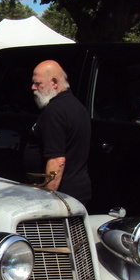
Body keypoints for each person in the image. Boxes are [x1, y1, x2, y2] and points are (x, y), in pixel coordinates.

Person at [22, 59, 91, 204]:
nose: (33, 87)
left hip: (61, 197)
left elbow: (57, 161)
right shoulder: (78, 107)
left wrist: (47, 202)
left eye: (38, 83)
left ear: (54, 82)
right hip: (77, 192)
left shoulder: (55, 111)